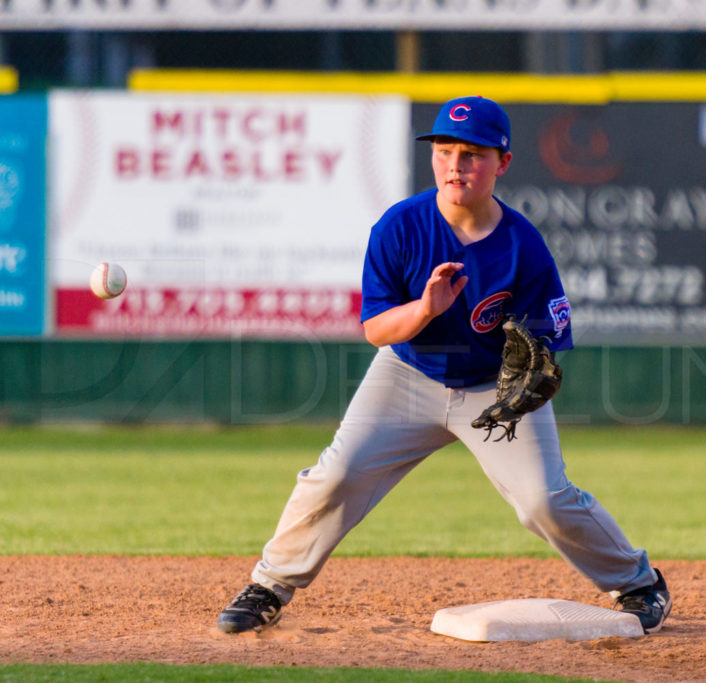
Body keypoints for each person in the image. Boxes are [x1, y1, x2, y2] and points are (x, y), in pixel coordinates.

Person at [217, 96, 671, 635]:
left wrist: (531, 371)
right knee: (336, 474)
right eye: (445, 150)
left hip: (488, 389)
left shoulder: (522, 246)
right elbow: (375, 330)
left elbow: (545, 343)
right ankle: (269, 585)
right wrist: (425, 309)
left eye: (473, 154)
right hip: (407, 376)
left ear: (502, 162)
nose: (456, 164)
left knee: (543, 500)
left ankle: (641, 584)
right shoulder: (400, 227)